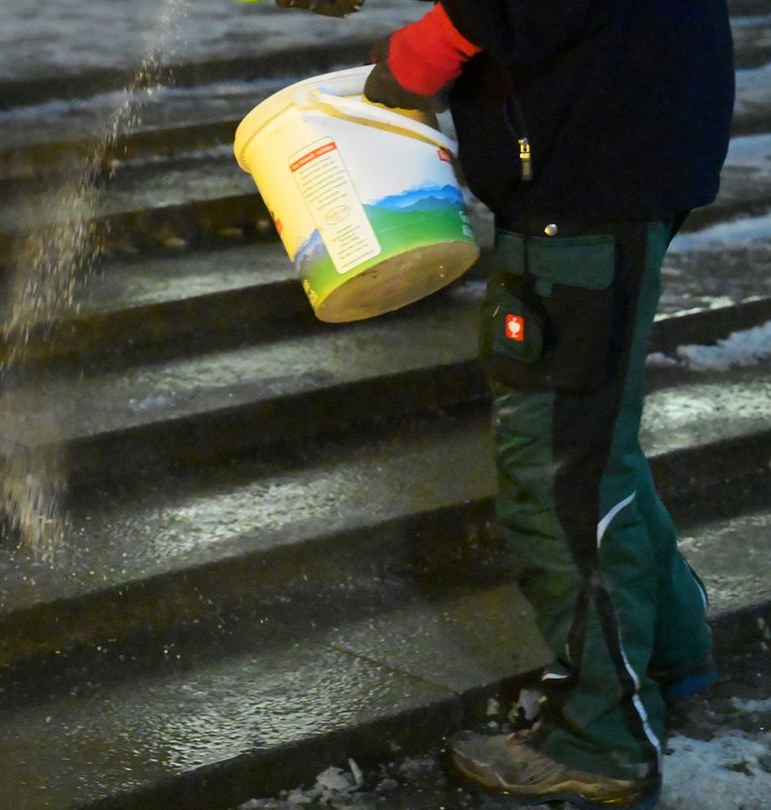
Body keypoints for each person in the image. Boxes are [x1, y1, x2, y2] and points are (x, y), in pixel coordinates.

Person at [274, 0, 734, 807]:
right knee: (594, 440)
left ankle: (599, 737)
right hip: (624, 152)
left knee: (556, 468)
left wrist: (431, 45)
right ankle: (666, 652)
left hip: (583, 183)